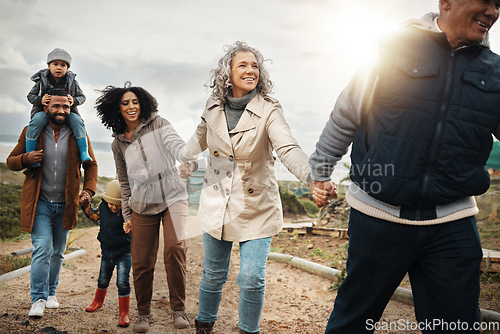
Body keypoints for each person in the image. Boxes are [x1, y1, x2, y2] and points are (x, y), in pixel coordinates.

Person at [309, 0, 500, 333]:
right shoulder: (393, 47)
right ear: (446, 2)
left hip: (451, 225)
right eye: (486, 1)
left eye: (498, 5)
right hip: (378, 217)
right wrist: (320, 173)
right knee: (352, 322)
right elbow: (347, 114)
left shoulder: (493, 71)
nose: (493, 12)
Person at [180, 41, 310, 334]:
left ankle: (248, 330)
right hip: (217, 202)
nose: (250, 70)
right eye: (243, 65)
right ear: (227, 71)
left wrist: (312, 176)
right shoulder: (213, 106)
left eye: (255, 66)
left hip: (256, 207)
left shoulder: (269, 109)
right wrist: (186, 160)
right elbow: (198, 138)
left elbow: (287, 146)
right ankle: (204, 326)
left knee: (251, 277)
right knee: (213, 274)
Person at [95, 83, 191, 333]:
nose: (131, 106)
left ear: (143, 103)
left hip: (173, 195)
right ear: (117, 108)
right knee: (141, 261)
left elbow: (176, 143)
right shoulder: (118, 144)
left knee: (174, 249)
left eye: (135, 102)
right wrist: (127, 214)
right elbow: (124, 182)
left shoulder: (159, 124)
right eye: (125, 103)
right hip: (142, 202)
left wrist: (185, 156)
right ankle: (143, 314)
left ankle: (178, 309)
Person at [6, 88, 97, 318]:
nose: (61, 111)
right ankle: (37, 298)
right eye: (55, 106)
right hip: (40, 203)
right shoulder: (31, 132)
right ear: (46, 107)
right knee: (43, 247)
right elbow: (11, 161)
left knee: (57, 251)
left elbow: (91, 165)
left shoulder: (78, 134)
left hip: (66, 204)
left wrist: (88, 189)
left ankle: (51, 293)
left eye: (65, 106)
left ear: (71, 107)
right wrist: (27, 158)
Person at [26, 48, 91, 167]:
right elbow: (30, 96)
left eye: (63, 65)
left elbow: (82, 97)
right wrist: (40, 100)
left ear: (67, 68)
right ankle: (31, 153)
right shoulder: (41, 81)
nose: (59, 67)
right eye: (55, 64)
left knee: (78, 122)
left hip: (67, 111)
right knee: (36, 121)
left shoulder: (72, 82)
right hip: (43, 110)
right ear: (48, 66)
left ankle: (84, 152)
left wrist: (74, 100)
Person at [80, 180, 131, 327]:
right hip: (106, 252)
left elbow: (137, 226)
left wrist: (131, 226)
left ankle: (124, 313)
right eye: (111, 203)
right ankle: (98, 301)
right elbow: (94, 216)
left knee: (122, 282)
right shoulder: (102, 206)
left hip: (124, 252)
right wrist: (85, 206)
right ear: (106, 200)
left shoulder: (128, 213)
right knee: (102, 279)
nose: (114, 207)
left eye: (118, 204)